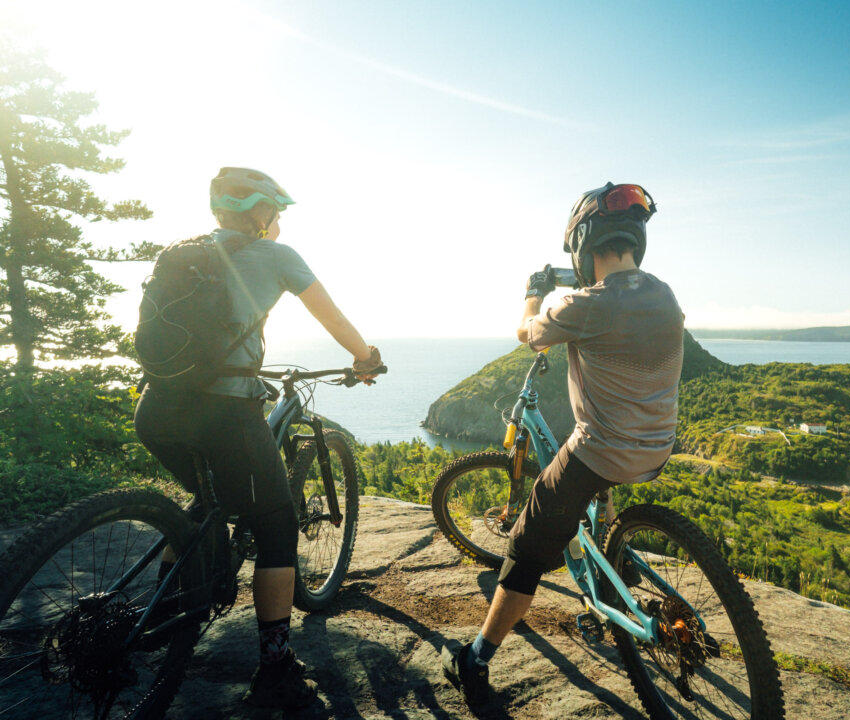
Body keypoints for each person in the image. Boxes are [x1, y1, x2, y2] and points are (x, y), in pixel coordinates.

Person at [135, 167, 382, 710]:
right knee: (276, 526)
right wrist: (365, 359)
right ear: (259, 212)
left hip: (155, 409)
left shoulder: (184, 251)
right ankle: (275, 667)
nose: (279, 221)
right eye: (276, 211)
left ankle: (161, 609)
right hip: (224, 412)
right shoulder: (278, 255)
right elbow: (332, 316)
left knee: (207, 501)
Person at [440, 182, 684, 705]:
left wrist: (535, 289)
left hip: (599, 452)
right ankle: (609, 565)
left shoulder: (582, 305)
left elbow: (527, 332)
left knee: (525, 549)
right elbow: (619, 290)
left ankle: (476, 658)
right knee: (596, 490)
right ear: (636, 239)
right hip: (659, 446)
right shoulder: (664, 294)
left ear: (581, 241)